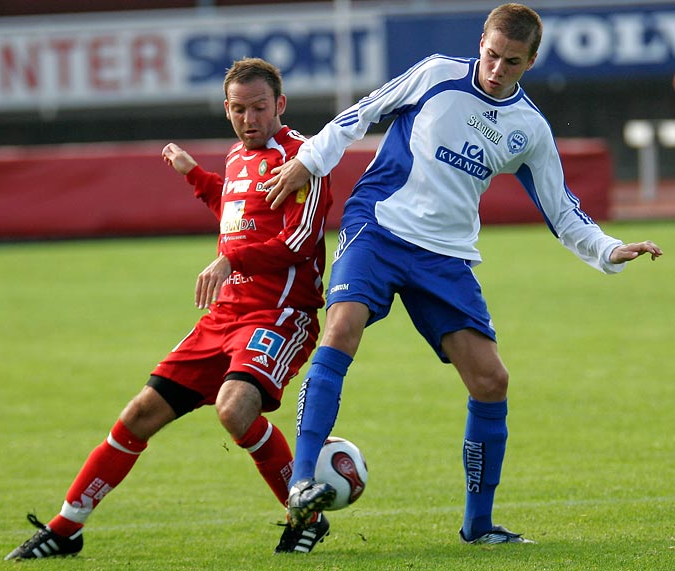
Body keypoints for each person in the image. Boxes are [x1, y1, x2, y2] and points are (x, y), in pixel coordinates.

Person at [264, 3, 663, 546]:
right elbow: (363, 112)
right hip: (380, 225)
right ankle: (302, 483)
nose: (496, 68)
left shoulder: (529, 129)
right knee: (341, 330)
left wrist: (609, 249)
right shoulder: (435, 75)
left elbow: (562, 209)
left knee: (491, 381)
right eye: (492, 54)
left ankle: (478, 527)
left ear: (531, 61)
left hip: (445, 256)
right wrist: (309, 161)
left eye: (512, 62)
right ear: (482, 41)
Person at [5, 57, 333, 560]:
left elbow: (299, 240)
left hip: (280, 314)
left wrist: (229, 258)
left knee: (234, 408)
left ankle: (304, 514)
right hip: (224, 317)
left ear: (280, 105)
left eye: (260, 108)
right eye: (239, 110)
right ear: (226, 109)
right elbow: (237, 215)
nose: (250, 119)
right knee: (138, 415)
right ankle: (65, 528)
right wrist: (196, 177)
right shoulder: (237, 158)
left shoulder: (303, 157)